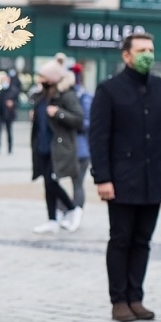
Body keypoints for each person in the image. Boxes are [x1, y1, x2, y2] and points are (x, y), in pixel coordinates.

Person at [89, 33, 161, 322]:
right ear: (126, 55)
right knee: (121, 240)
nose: (148, 55)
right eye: (141, 50)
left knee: (143, 240)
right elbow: (99, 138)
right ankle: (119, 300)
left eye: (151, 50)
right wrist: (102, 178)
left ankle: (136, 298)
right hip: (121, 179)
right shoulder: (109, 90)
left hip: (154, 177)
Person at [29, 59, 84, 234]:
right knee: (47, 184)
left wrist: (59, 113)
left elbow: (78, 119)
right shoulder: (42, 95)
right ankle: (52, 219)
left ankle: (72, 208)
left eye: (43, 77)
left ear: (52, 78)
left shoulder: (66, 95)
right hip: (42, 146)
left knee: (51, 182)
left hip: (58, 147)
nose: (40, 80)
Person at [72, 62, 93, 212]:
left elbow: (86, 123)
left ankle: (76, 211)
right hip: (72, 147)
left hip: (80, 148)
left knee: (78, 183)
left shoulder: (84, 97)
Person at [0, 70, 20, 155]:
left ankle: (10, 147)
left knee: (9, 131)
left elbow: (17, 102)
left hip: (9, 115)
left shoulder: (13, 91)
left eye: (6, 80)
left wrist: (12, 103)